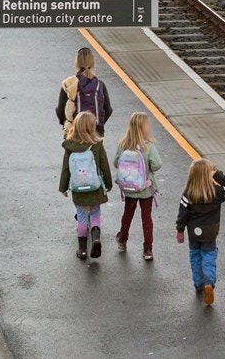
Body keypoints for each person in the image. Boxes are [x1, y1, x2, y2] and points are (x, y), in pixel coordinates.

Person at [175, 158, 225, 305]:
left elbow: (182, 214)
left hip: (194, 232)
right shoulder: (216, 192)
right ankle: (208, 282)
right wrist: (218, 175)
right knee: (209, 255)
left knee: (195, 255)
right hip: (210, 231)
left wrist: (180, 230)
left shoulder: (188, 194)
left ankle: (198, 284)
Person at [58, 111, 112, 261]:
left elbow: (66, 168)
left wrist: (63, 187)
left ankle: (82, 249)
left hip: (78, 190)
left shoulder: (70, 146)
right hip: (95, 187)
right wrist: (108, 184)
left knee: (81, 217)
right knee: (95, 213)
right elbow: (104, 165)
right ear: (91, 128)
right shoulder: (96, 144)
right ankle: (96, 239)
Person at [113, 111, 162, 260]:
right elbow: (157, 164)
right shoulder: (149, 146)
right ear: (144, 128)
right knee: (146, 217)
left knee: (127, 214)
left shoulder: (123, 145)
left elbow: (116, 162)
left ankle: (123, 240)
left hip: (129, 189)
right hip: (145, 188)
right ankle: (148, 249)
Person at [56, 46, 112, 139]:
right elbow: (108, 110)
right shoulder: (100, 85)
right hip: (95, 134)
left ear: (76, 63)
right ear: (93, 63)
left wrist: (67, 123)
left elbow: (60, 111)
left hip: (74, 133)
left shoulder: (70, 84)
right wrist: (98, 126)